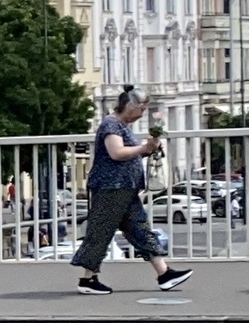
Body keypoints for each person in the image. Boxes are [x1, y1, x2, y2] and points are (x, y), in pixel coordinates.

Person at [73, 87, 191, 295]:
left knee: (139, 228)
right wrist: (143, 149)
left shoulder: (121, 126)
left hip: (124, 188)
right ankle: (87, 280)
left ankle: (164, 274)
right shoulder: (111, 125)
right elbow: (116, 153)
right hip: (111, 187)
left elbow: (126, 154)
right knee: (101, 232)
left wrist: (147, 151)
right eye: (141, 109)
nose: (142, 113)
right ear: (129, 106)